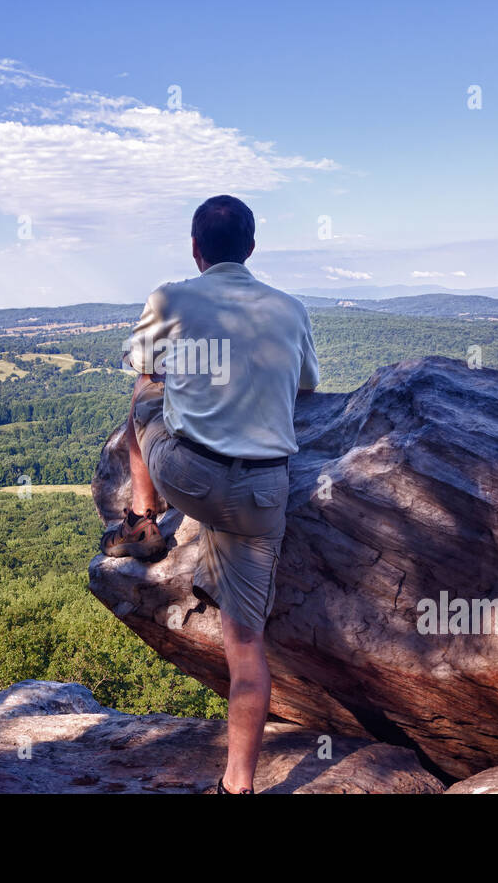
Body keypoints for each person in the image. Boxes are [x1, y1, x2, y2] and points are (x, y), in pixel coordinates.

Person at [101, 194, 320, 795]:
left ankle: (145, 525)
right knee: (245, 647)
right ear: (252, 248)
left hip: (190, 479)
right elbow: (306, 386)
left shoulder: (171, 296)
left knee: (145, 398)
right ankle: (237, 786)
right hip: (262, 494)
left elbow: (142, 366)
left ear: (195, 251)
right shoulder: (290, 307)